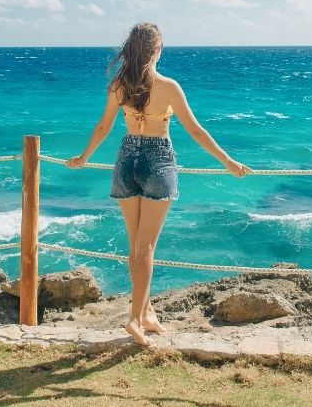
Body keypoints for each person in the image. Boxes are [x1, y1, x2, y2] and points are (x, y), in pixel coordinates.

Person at [66, 22, 251, 346]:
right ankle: (135, 319)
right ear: (156, 50)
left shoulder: (118, 86)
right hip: (157, 160)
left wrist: (83, 157)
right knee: (146, 246)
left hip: (126, 160)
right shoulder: (168, 86)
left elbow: (103, 126)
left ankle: (147, 312)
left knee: (135, 244)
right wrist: (228, 162)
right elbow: (196, 131)